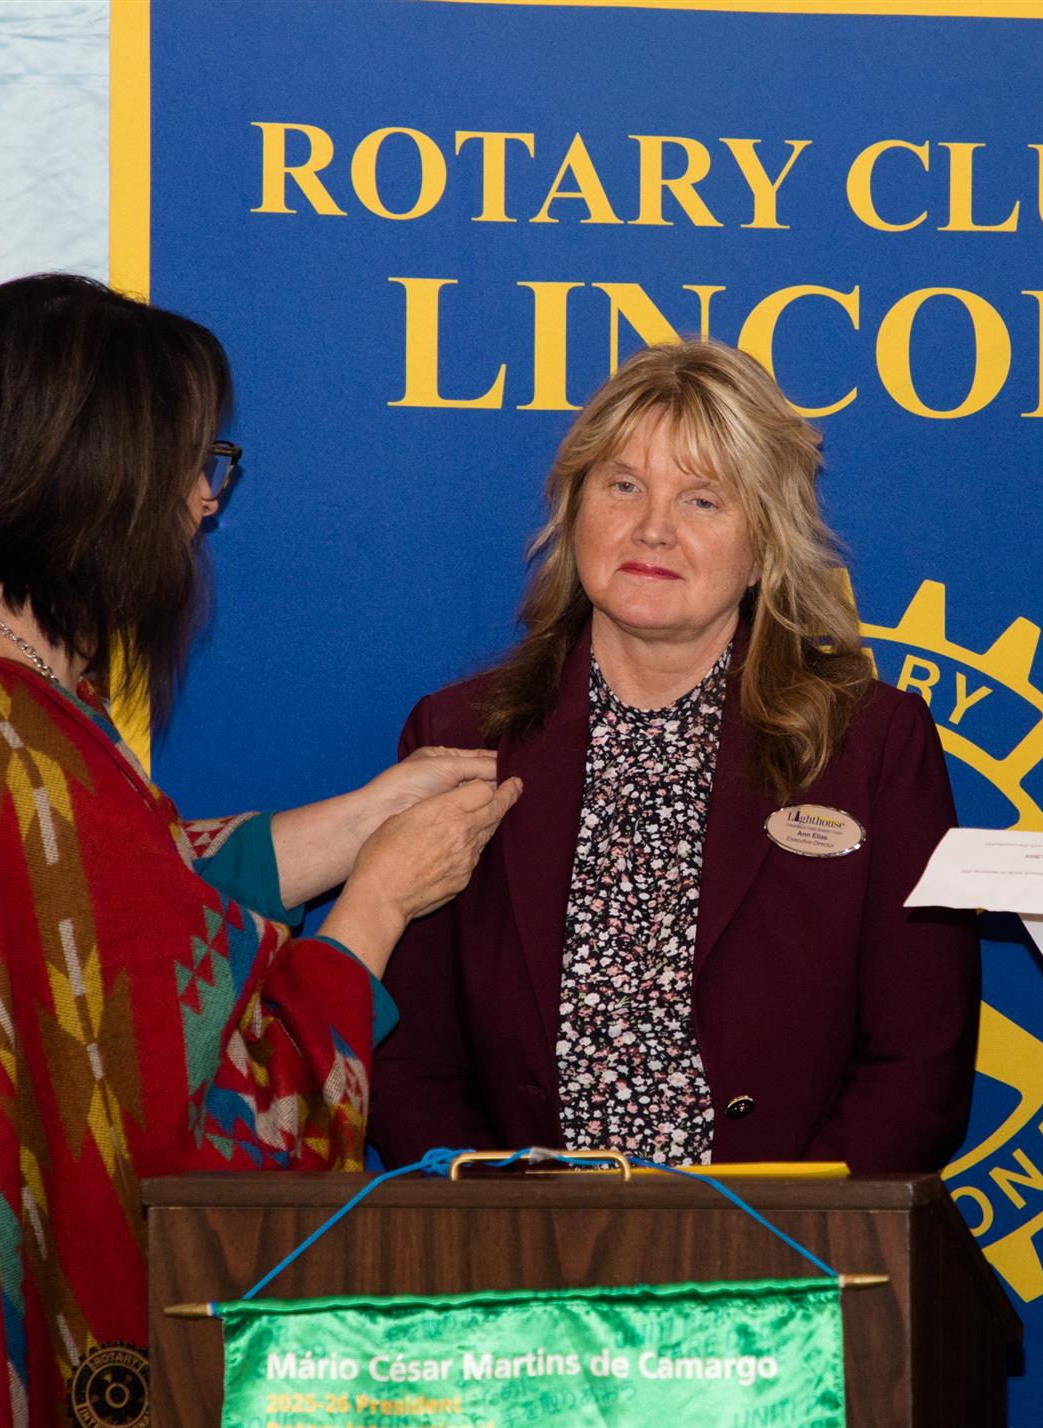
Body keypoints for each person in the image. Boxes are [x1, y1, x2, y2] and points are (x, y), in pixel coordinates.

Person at [0, 274, 520, 1423]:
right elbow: (232, 1136)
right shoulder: (27, 759)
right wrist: (381, 903)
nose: (204, 503)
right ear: (94, 482)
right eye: (189, 466)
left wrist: (367, 814)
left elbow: (111, 897)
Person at [368, 339, 979, 1174]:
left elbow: (918, 1071)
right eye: (623, 486)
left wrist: (773, 1229)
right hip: (517, 1239)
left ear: (764, 547)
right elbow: (409, 1059)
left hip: (793, 1242)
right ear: (574, 510)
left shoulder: (872, 744)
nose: (652, 528)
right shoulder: (462, 735)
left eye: (703, 500)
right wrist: (512, 1220)